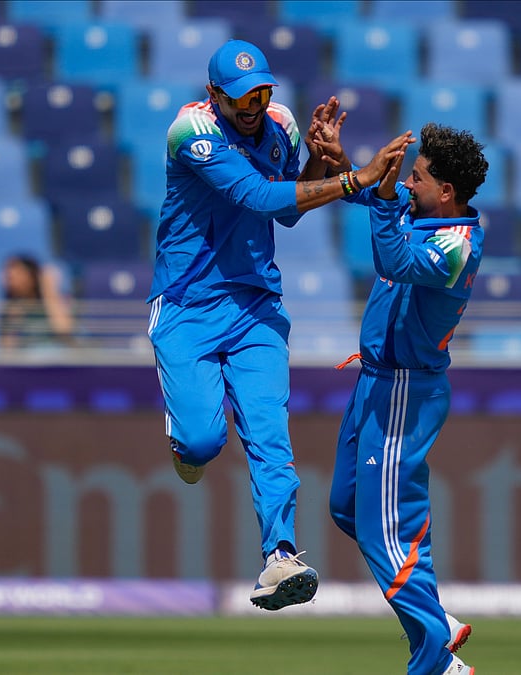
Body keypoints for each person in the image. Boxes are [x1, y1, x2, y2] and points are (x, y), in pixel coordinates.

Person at [146, 38, 411, 611]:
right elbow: (260, 196)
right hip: (188, 305)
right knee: (202, 441)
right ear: (214, 94)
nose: (254, 104)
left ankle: (280, 555)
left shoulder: (282, 123)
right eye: (242, 95)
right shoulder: (190, 132)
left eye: (262, 92)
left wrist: (318, 159)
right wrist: (354, 178)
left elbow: (288, 210)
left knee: (269, 432)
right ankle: (186, 443)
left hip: (257, 304)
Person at [315, 121, 488, 675]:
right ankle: (436, 618)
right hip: (374, 381)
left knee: (385, 528)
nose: (408, 186)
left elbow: (393, 260)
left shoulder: (455, 246)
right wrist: (348, 163)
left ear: (447, 193)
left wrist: (385, 195)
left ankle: (436, 655)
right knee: (349, 507)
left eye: (417, 179)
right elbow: (376, 196)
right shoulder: (422, 215)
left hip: (405, 392)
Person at [0, 254, 74, 351]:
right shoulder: (11, 309)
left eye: (16, 275)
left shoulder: (57, 300)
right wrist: (12, 322)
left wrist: (49, 291)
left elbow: (64, 331)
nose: (10, 281)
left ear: (32, 276)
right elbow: (5, 350)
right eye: (8, 277)